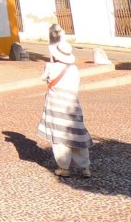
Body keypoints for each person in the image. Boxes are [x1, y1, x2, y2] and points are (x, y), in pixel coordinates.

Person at [37, 40, 92, 178]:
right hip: (73, 104)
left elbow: (43, 78)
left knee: (59, 136)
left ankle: (64, 167)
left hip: (56, 104)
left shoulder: (50, 66)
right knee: (78, 134)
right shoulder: (74, 69)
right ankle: (85, 167)